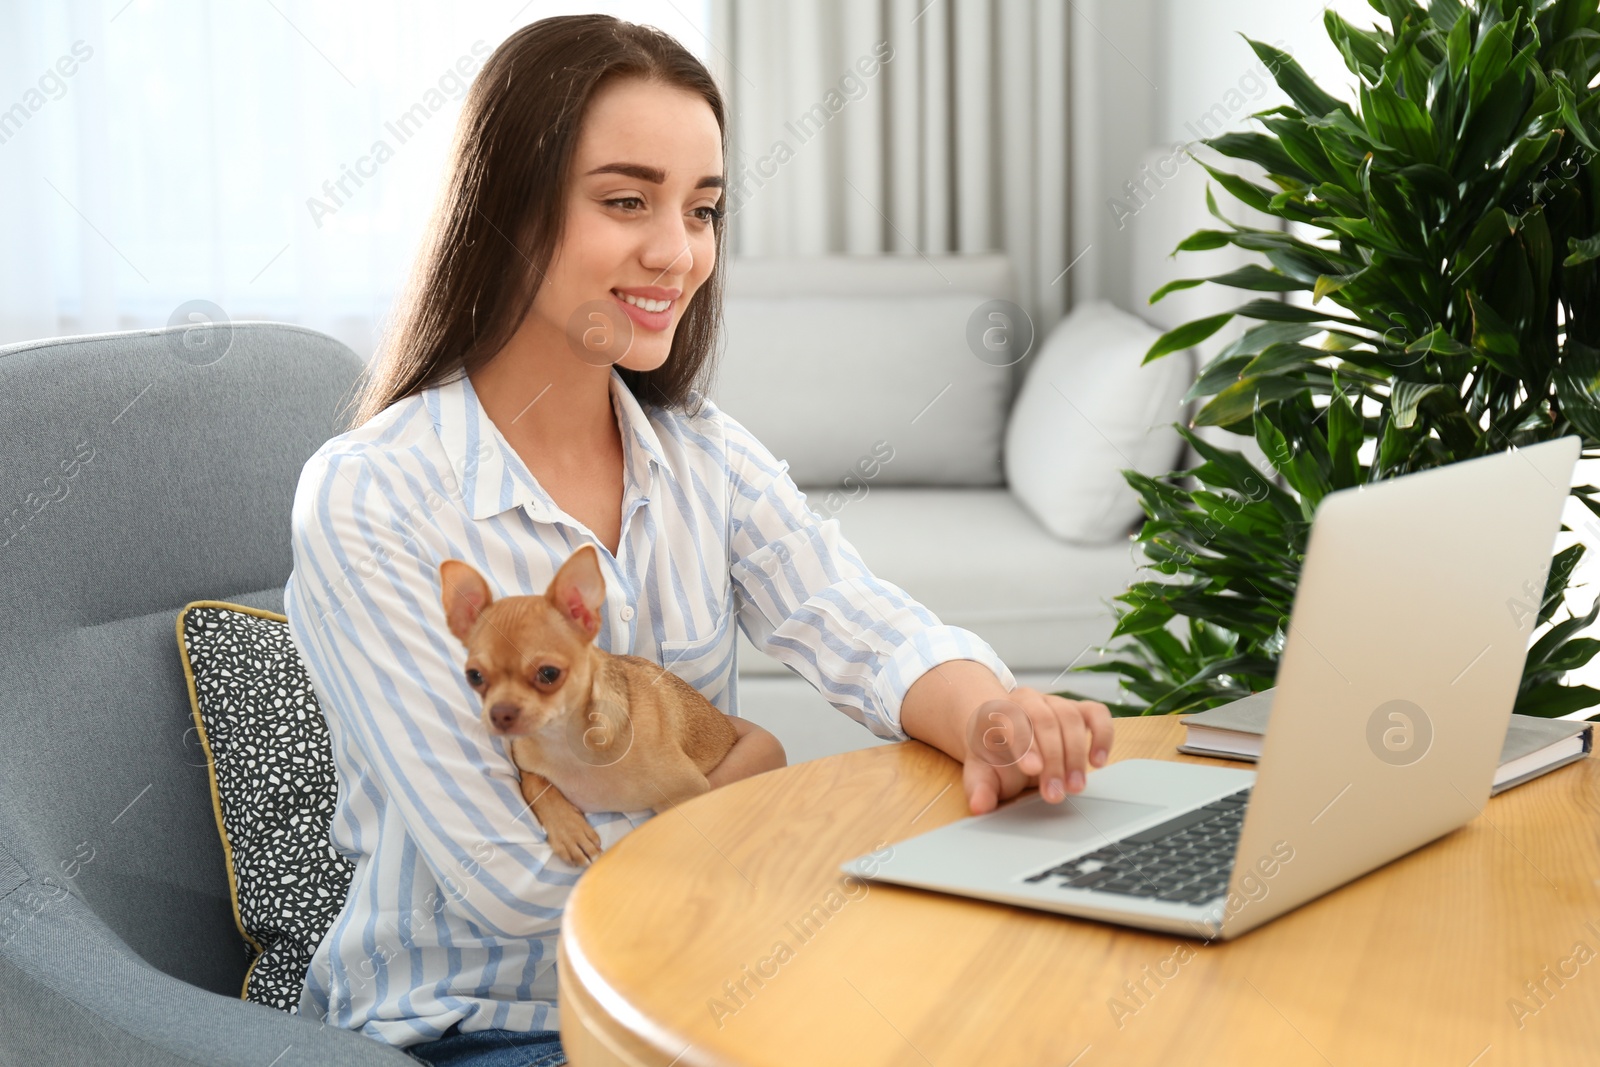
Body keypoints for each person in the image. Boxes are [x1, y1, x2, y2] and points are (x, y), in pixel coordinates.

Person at [283, 14, 1113, 1067]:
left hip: (707, 984)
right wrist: (752, 810)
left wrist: (993, 712)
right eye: (626, 200)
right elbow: (508, 874)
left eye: (703, 208)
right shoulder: (371, 497)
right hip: (480, 1027)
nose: (677, 251)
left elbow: (859, 624)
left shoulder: (702, 457)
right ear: (506, 213)